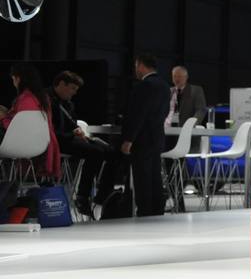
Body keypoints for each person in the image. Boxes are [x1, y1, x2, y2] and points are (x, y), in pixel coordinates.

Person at [49, 70, 114, 218]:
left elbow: (72, 123)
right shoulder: (47, 100)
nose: (74, 93)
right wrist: (73, 134)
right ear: (60, 84)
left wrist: (77, 132)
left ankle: (103, 193)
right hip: (56, 141)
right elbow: (50, 129)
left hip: (69, 138)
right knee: (95, 152)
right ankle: (82, 196)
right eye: (72, 88)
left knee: (110, 151)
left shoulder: (68, 104)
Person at [120, 54, 171, 217]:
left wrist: (129, 139)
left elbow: (138, 115)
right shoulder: (164, 86)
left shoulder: (143, 86)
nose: (135, 70)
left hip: (142, 138)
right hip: (157, 136)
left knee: (142, 176)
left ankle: (145, 210)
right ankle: (157, 209)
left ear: (142, 65)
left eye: (136, 66)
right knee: (155, 175)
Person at [0, 63, 62, 181]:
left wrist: (3, 118)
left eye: (13, 78)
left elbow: (19, 127)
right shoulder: (43, 98)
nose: (13, 82)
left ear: (18, 78)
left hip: (19, 145)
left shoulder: (25, 99)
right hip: (40, 145)